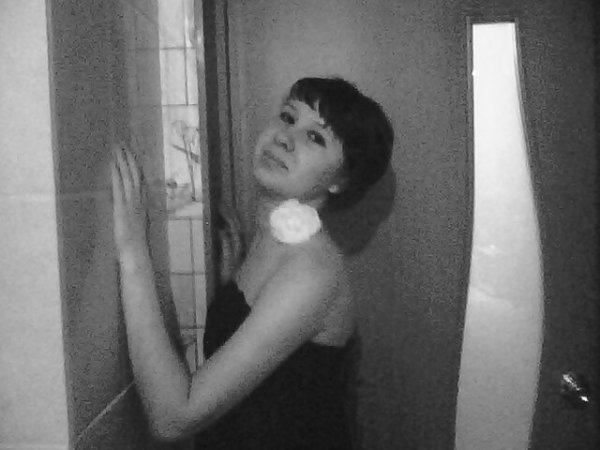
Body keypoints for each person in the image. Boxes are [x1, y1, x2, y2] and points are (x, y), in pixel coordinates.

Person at [111, 77, 394, 449]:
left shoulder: (310, 273)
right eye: (288, 117)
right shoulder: (272, 243)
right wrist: (231, 286)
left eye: (315, 137)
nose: (285, 137)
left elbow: (173, 419)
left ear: (341, 181)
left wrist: (133, 250)